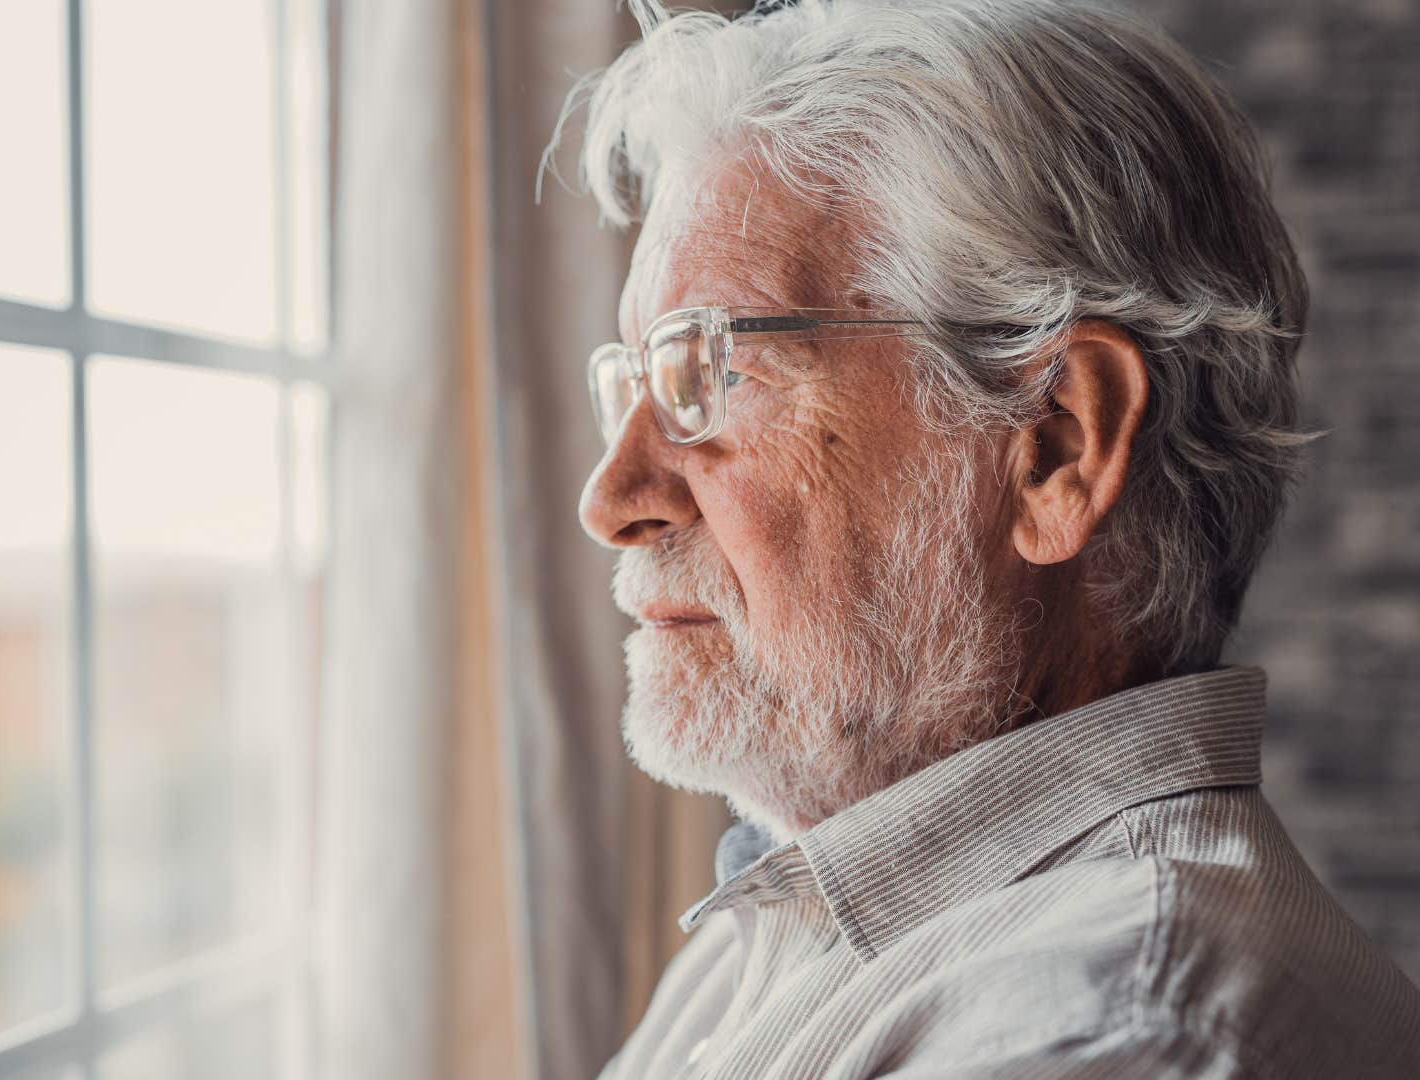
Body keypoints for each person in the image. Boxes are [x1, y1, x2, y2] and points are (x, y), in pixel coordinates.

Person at [562, 1, 1420, 1075]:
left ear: (1057, 447)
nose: (613, 498)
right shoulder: (783, 924)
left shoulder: (1114, 1028)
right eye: (635, 383)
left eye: (711, 373)